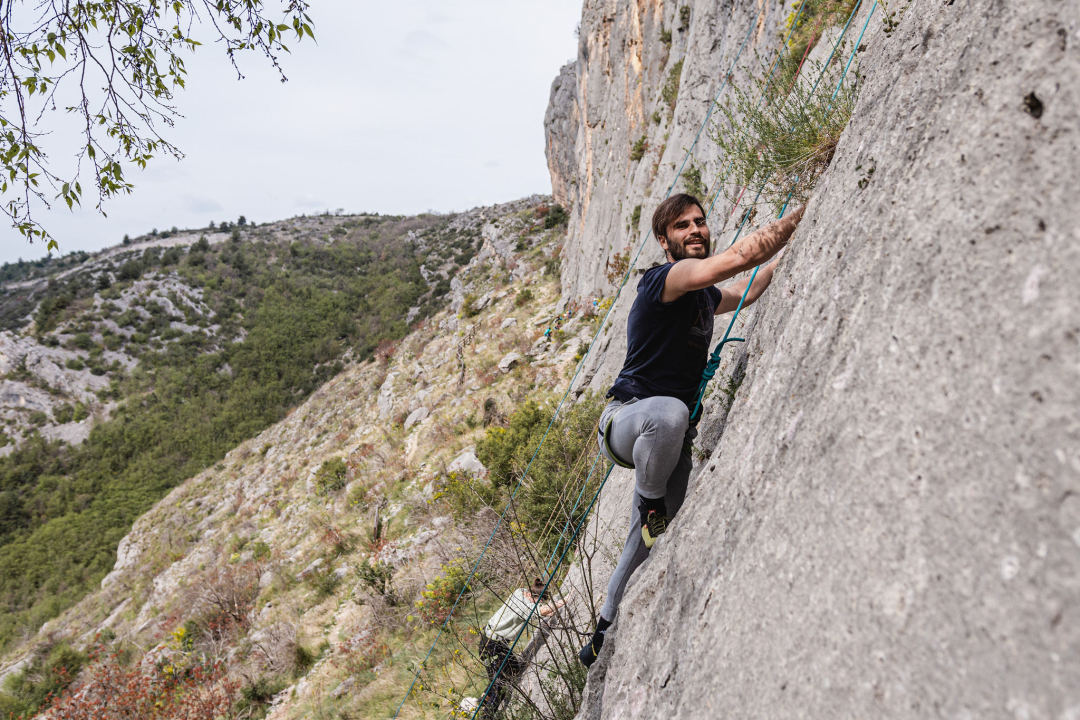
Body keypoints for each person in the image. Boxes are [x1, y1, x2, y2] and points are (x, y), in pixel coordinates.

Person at [579, 193, 804, 667]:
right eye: (682, 226)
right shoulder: (666, 278)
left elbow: (752, 283)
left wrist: (797, 246)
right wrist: (802, 215)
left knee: (645, 539)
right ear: (665, 241)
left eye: (700, 222)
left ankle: (602, 628)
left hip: (668, 436)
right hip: (630, 421)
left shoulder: (703, 297)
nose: (696, 230)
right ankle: (651, 500)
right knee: (671, 417)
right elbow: (742, 258)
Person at [479, 578, 566, 719]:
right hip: (494, 646)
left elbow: (536, 610)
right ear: (535, 597)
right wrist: (564, 600)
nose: (538, 604)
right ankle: (486, 716)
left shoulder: (519, 592)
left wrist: (541, 609)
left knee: (513, 668)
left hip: (489, 641)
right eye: (539, 601)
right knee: (500, 686)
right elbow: (540, 610)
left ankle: (485, 697)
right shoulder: (525, 606)